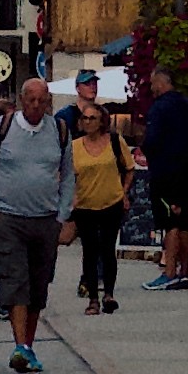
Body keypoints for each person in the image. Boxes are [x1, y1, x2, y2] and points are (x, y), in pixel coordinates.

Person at [0, 71, 77, 372]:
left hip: (46, 219)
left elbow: (68, 175)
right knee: (14, 281)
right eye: (31, 100)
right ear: (21, 101)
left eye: (42, 101)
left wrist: (62, 215)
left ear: (48, 102)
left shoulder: (59, 130)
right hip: (9, 218)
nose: (36, 106)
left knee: (38, 285)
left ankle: (28, 346)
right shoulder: (3, 127)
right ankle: (20, 345)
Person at [64, 71, 131, 313]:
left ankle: (109, 294)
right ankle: (93, 297)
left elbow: (129, 168)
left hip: (111, 201)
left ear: (102, 121)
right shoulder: (73, 147)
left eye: (94, 118)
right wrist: (69, 199)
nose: (90, 122)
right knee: (90, 252)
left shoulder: (114, 141)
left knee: (108, 250)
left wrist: (124, 192)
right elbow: (65, 175)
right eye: (86, 119)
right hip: (85, 204)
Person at [138, 63, 188, 291]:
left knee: (169, 222)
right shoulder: (187, 105)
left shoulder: (159, 108)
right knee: (184, 222)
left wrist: (149, 153)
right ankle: (184, 272)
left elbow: (152, 141)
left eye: (153, 83)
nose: (152, 88)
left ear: (162, 82)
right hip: (187, 172)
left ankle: (169, 271)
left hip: (165, 171)